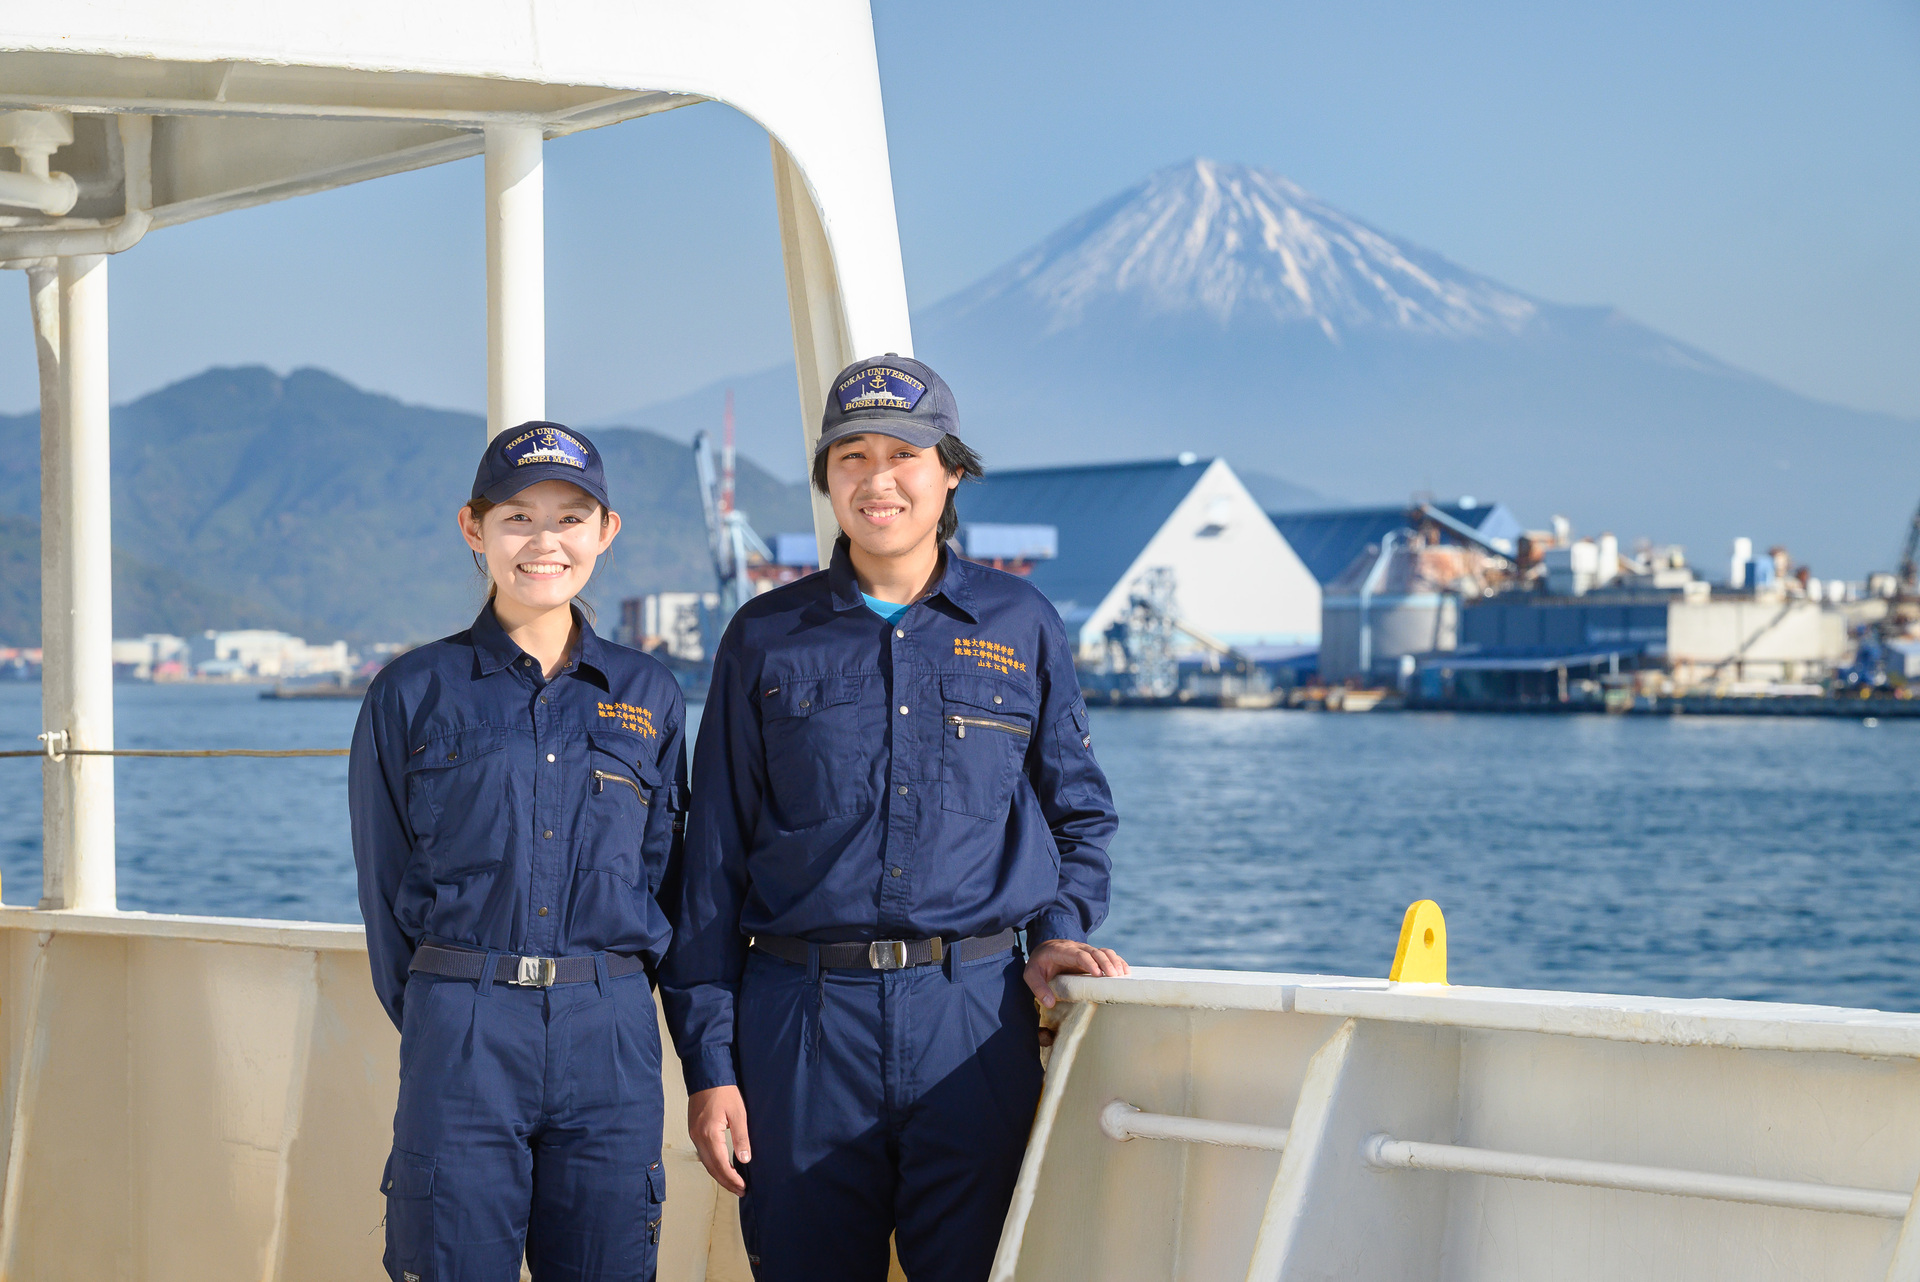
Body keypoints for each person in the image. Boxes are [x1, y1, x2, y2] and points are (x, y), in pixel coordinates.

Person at [660, 356, 1127, 1282]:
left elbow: (1079, 811)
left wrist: (1057, 932)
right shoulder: (764, 636)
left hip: (975, 1020)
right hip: (800, 1026)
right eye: (852, 457)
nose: (878, 479)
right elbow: (709, 868)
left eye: (904, 455)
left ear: (950, 471)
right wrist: (711, 1068)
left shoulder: (1019, 622)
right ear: (828, 479)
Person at [350, 422, 685, 1282]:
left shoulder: (648, 694)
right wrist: (451, 1008)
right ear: (475, 529)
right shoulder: (412, 691)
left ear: (606, 532)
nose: (545, 543)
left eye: (571, 519)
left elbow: (665, 878)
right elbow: (386, 889)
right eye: (518, 518)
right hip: (462, 1027)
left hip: (608, 1032)